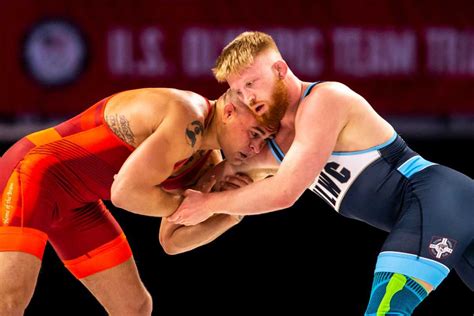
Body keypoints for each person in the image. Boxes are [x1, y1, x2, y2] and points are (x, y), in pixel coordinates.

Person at [168, 31, 474, 315]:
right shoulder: (270, 146)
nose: (247, 98)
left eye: (251, 83)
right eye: (236, 91)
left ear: (280, 69)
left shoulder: (326, 100)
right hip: (439, 209)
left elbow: (283, 193)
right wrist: (179, 194)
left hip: (439, 198)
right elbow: (173, 237)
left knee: (386, 309)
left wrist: (208, 205)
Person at [0, 87, 273, 315]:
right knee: (10, 298)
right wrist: (196, 205)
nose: (255, 148)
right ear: (228, 112)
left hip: (77, 202)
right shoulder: (188, 116)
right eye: (254, 134)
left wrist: (230, 210)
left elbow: (172, 241)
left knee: (134, 308)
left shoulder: (206, 161)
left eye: (264, 140)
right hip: (31, 172)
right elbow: (125, 193)